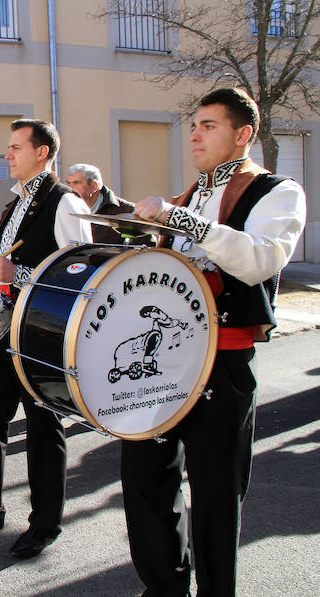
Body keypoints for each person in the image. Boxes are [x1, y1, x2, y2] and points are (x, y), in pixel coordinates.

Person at [123, 87, 306, 596]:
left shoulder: (277, 190)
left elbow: (259, 259)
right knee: (144, 483)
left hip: (221, 362)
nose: (196, 134)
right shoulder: (190, 192)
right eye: (194, 125)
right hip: (161, 361)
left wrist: (178, 218)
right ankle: (164, 586)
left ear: (242, 134)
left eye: (209, 125)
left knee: (217, 495)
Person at [0, 119, 91, 559]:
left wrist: (18, 273)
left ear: (42, 152)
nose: (7, 154)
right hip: (4, 330)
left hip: (42, 335)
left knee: (44, 427)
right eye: (7, 147)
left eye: (15, 147)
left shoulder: (64, 203)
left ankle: (45, 525)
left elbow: (80, 275)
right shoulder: (14, 204)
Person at [66, 163, 147, 245]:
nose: (70, 188)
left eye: (76, 183)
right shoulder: (65, 209)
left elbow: (147, 247)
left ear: (94, 186)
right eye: (68, 183)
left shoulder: (127, 212)